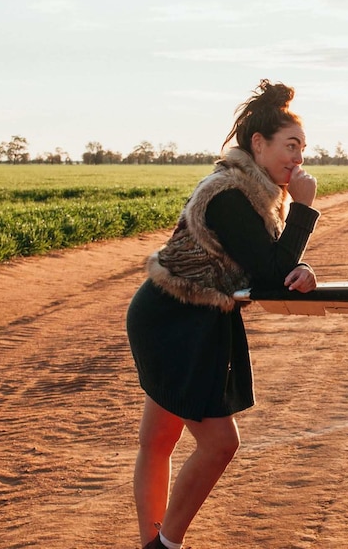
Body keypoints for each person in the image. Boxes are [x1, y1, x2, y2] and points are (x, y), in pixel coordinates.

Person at [126, 79, 320, 549]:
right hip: (174, 318)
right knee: (219, 444)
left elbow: (270, 262)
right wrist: (304, 209)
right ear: (258, 144)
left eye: (303, 149)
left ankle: (152, 542)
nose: (298, 159)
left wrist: (303, 266)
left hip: (190, 315)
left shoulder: (251, 194)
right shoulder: (230, 194)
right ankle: (166, 544)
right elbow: (271, 274)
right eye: (290, 147)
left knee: (160, 440)